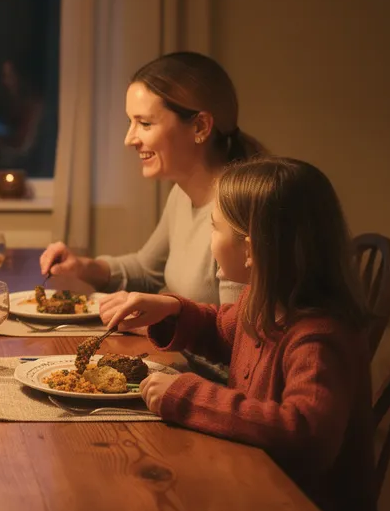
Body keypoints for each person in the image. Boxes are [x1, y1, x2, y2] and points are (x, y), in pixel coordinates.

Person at [103, 157, 379, 511]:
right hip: (258, 489)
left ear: (249, 248)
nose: (209, 239)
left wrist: (189, 395)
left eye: (214, 227)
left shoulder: (318, 337)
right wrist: (171, 310)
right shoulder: (263, 302)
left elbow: (306, 434)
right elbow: (223, 330)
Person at [40, 52, 266, 320]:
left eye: (145, 124)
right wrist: (82, 267)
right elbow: (147, 271)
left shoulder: (238, 211)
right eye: (131, 122)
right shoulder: (182, 194)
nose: (129, 139)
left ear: (200, 126)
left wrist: (165, 318)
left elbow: (238, 331)